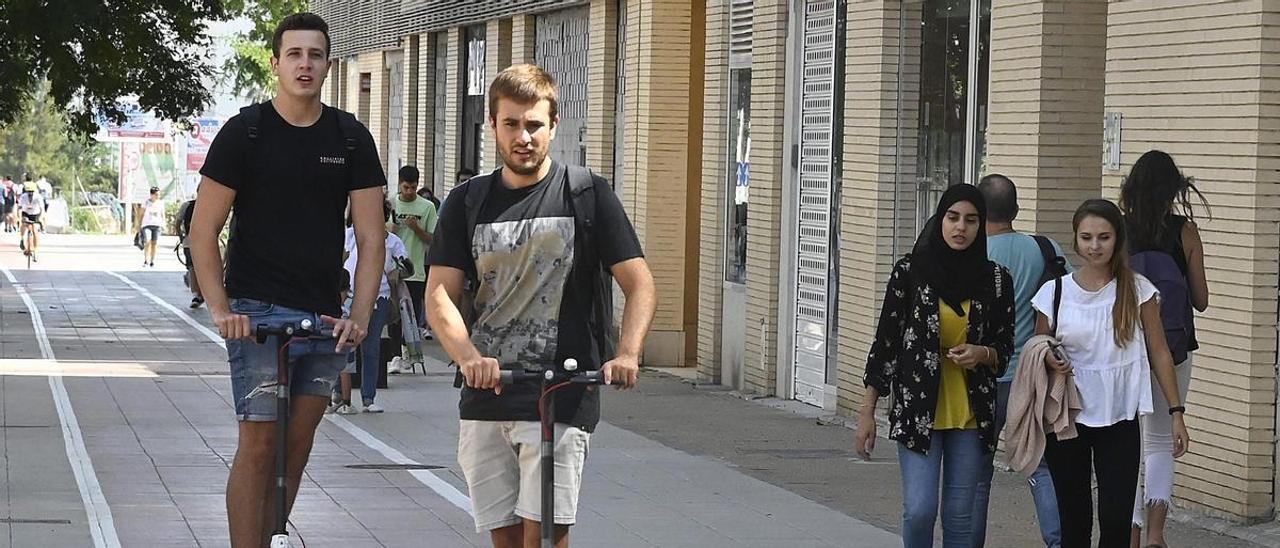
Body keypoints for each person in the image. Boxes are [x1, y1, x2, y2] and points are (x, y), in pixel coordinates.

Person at [426, 64, 656, 548]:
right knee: (505, 539)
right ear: (493, 126)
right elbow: (440, 294)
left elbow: (640, 284)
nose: (523, 136)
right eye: (511, 124)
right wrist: (469, 358)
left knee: (546, 537)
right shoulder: (467, 202)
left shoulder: (587, 194)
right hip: (487, 392)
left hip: (562, 391)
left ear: (554, 124)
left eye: (534, 124)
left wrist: (629, 353)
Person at [187, 12, 387, 548]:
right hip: (256, 315)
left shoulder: (350, 138)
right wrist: (222, 310)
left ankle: (267, 538)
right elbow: (203, 232)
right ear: (276, 63)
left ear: (328, 64)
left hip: (324, 318)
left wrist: (361, 316)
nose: (305, 64)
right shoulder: (245, 132)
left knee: (297, 443)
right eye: (294, 54)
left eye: (315, 55)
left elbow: (371, 239)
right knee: (258, 441)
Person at [855, 184, 1016, 548]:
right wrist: (868, 410)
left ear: (980, 226)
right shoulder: (910, 272)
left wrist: (982, 353)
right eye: (953, 218)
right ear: (940, 219)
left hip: (972, 413)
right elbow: (886, 345)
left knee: (961, 516)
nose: (961, 228)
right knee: (920, 509)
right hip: (917, 409)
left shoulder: (996, 280)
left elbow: (1004, 348)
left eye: (971, 220)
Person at [1031, 199, 1190, 548]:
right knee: (1074, 521)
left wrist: (1176, 412)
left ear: (1117, 239)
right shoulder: (1054, 293)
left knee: (1117, 522)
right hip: (1066, 419)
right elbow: (1037, 350)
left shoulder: (1137, 290)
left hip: (1120, 417)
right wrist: (1050, 359)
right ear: (1075, 240)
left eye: (1103, 237)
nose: (1095, 245)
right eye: (1086, 237)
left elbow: (1159, 353)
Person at [1119, 151, 1210, 548]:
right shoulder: (1185, 231)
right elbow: (1202, 299)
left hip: (1126, 347)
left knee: (1128, 445)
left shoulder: (1117, 231)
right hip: (1173, 348)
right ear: (1175, 188)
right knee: (1159, 442)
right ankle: (1157, 533)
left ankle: (1133, 533)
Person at [972, 174, 1068, 548]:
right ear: (1016, 210)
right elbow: (1067, 301)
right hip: (1031, 379)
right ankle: (1059, 541)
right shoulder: (1044, 249)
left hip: (980, 377)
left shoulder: (974, 256)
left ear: (979, 214)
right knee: (1039, 466)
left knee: (978, 475)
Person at [340, 203, 407, 413]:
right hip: (349, 295)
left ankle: (368, 398)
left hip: (380, 297)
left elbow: (405, 266)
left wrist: (400, 269)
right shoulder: (349, 235)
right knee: (344, 345)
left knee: (371, 346)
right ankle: (339, 395)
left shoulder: (393, 242)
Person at [389, 165, 437, 332]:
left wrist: (416, 228)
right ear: (400, 185)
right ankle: (394, 352)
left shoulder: (427, 207)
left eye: (413, 188)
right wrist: (392, 229)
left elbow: (433, 239)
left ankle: (410, 352)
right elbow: (379, 235)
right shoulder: (390, 204)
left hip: (415, 269)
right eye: (406, 187)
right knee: (394, 317)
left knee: (412, 316)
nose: (409, 191)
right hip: (392, 270)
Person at [174, 197, 204, 308]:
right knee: (194, 268)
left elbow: (177, 223)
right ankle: (197, 295)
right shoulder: (188, 205)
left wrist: (181, 236)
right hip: (193, 242)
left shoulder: (188, 205)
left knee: (194, 268)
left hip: (194, 242)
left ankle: (198, 294)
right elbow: (178, 223)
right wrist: (182, 237)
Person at [16, 181, 46, 259]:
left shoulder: (38, 197)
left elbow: (42, 208)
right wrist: (18, 217)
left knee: (35, 231)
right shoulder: (23, 196)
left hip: (35, 214)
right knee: (24, 224)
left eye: (32, 192)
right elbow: (19, 208)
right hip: (26, 213)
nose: (30, 194)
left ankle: (35, 249)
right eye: (29, 192)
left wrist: (41, 217)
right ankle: (22, 239)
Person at [140, 187, 165, 267]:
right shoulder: (146, 203)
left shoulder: (161, 203)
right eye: (156, 194)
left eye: (159, 194)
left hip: (157, 225)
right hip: (147, 224)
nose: (158, 196)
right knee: (147, 241)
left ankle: (152, 260)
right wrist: (139, 225)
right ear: (152, 194)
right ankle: (146, 260)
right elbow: (141, 214)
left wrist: (164, 224)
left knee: (154, 243)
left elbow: (162, 214)